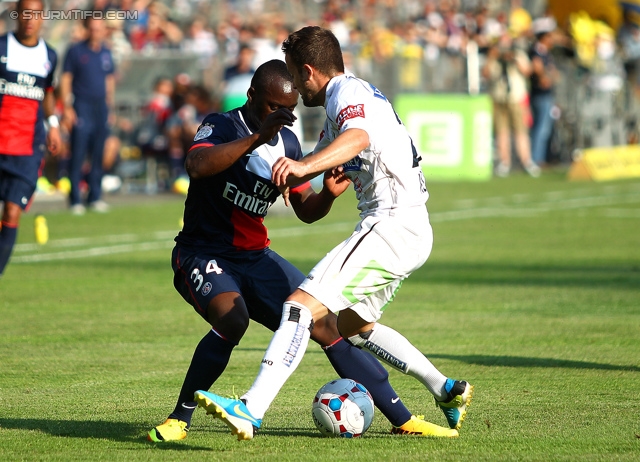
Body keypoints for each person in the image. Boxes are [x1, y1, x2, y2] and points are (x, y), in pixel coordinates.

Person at [147, 59, 455, 443]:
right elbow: (197, 165)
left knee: (327, 323)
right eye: (274, 107)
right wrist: (257, 137)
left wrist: (327, 193)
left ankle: (403, 417)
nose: (282, 116)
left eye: (289, 110)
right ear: (252, 95)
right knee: (233, 319)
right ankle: (180, 418)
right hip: (202, 251)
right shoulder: (222, 125)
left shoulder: (288, 142)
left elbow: (306, 209)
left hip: (255, 256)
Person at [0, 0, 61, 278]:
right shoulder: (2, 47)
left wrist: (53, 125)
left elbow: (47, 91)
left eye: (35, 14)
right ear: (17, 15)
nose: (29, 19)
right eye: (25, 13)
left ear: (42, 18)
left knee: (12, 212)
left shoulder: (49, 55)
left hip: (26, 149)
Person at [60, 16, 115, 215]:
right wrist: (67, 106)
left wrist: (110, 106)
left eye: (99, 29)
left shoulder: (106, 53)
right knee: (79, 152)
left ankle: (95, 196)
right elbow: (66, 78)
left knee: (98, 153)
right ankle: (75, 198)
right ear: (86, 29)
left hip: (100, 107)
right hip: (81, 104)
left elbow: (109, 80)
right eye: (92, 28)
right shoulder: (75, 51)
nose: (95, 32)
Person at [482, 33, 540, 177]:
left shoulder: (518, 55)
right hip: (499, 97)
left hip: (516, 97)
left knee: (521, 131)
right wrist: (493, 57)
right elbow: (486, 73)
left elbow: (528, 71)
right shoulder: (494, 58)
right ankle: (504, 162)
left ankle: (526, 161)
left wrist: (513, 59)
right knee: (502, 132)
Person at [528, 21, 558, 167]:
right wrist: (546, 76)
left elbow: (553, 73)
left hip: (546, 93)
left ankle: (540, 158)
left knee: (545, 128)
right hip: (540, 94)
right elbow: (539, 71)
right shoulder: (537, 51)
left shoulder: (545, 52)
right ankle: (536, 159)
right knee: (541, 127)